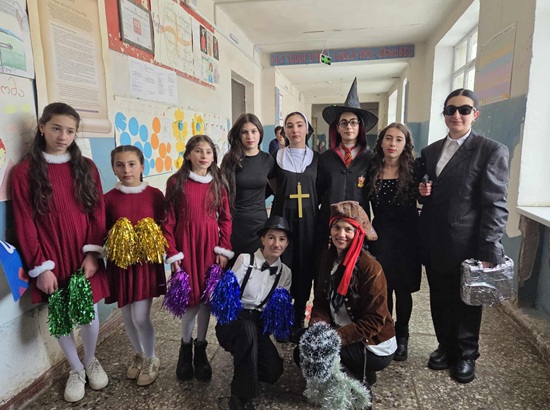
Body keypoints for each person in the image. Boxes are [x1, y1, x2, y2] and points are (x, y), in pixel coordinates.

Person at [11, 102, 109, 402]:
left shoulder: (86, 167)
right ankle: (75, 368)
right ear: (42, 127)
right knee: (61, 316)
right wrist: (40, 266)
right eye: (56, 128)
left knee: (89, 314)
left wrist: (92, 253)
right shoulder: (24, 172)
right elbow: (24, 221)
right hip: (51, 255)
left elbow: (97, 212)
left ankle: (90, 359)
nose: (63, 136)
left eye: (70, 131)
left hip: (82, 255)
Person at [418, 88, 509, 383]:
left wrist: (489, 248)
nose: (457, 115)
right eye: (451, 110)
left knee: (467, 302)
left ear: (475, 114)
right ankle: (445, 347)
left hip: (467, 243)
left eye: (464, 110)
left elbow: (495, 203)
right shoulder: (431, 151)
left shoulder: (490, 150)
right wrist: (422, 191)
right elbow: (426, 190)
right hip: (435, 240)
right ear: (444, 114)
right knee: (439, 297)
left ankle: (467, 354)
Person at [299, 201, 396, 395]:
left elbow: (375, 320)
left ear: (358, 233)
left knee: (315, 355)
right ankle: (357, 371)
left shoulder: (370, 268)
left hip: (372, 342)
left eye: (348, 229)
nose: (341, 234)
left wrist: (335, 338)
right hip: (340, 330)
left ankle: (358, 391)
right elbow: (321, 301)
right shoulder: (328, 257)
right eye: (337, 227)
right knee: (303, 350)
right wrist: (318, 329)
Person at [163, 135, 233, 382]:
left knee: (205, 300)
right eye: (198, 151)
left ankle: (201, 348)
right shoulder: (176, 182)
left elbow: (225, 219)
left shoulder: (218, 183)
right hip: (186, 246)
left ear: (214, 157)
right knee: (190, 300)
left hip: (209, 247)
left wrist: (223, 249)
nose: (204, 156)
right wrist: (172, 252)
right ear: (188, 155)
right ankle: (185, 348)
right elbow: (168, 221)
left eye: (208, 151)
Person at [215, 215, 292, 410]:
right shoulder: (245, 260)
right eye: (271, 237)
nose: (276, 243)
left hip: (258, 323)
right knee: (246, 331)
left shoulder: (285, 273)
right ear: (262, 239)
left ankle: (246, 363)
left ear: (287, 243)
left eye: (282, 239)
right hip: (233, 318)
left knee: (273, 371)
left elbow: (276, 311)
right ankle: (240, 397)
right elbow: (226, 299)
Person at [104, 145, 166, 386]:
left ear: (142, 166)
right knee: (127, 315)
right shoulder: (108, 198)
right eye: (119, 165)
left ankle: (151, 357)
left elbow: (164, 226)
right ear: (113, 169)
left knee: (140, 316)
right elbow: (103, 229)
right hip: (121, 265)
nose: (126, 170)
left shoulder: (155, 195)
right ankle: (139, 354)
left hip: (144, 266)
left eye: (131, 164)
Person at [367, 123, 421, 362]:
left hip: (408, 237)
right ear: (381, 142)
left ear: (405, 145)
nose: (392, 144)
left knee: (404, 289)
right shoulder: (372, 169)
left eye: (399, 139)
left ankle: (403, 334)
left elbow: (426, 197)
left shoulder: (415, 171)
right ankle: (386, 330)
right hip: (381, 236)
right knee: (384, 288)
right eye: (388, 138)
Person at [317, 77, 378, 258]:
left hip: (357, 226)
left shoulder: (370, 158)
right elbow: (318, 192)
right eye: (344, 122)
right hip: (329, 225)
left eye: (353, 122)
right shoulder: (326, 158)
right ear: (337, 127)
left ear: (360, 127)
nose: (348, 126)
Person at [269, 111, 318, 336]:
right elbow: (273, 184)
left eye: (299, 125)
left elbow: (321, 189)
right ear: (284, 131)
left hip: (309, 223)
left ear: (307, 129)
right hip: (282, 223)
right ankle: (281, 318)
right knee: (282, 267)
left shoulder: (317, 159)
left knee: (305, 268)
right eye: (289, 125)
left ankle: (298, 317)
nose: (295, 130)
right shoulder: (276, 158)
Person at [221, 114, 275, 258]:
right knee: (235, 267)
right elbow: (223, 192)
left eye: (253, 131)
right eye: (244, 132)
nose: (250, 136)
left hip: (259, 223)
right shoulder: (230, 160)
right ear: (238, 135)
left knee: (257, 265)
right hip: (235, 223)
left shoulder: (267, 160)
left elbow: (275, 188)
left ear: (260, 133)